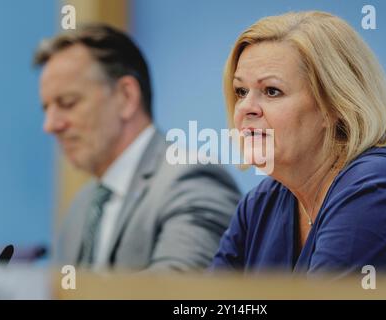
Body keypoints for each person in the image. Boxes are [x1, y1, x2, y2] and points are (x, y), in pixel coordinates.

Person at [211, 11, 386, 275]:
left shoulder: (376, 191)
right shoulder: (261, 204)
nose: (245, 108)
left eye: (272, 91)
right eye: (241, 91)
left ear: (334, 106)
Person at [34, 24, 241, 272]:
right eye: (46, 109)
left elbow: (176, 295)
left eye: (67, 103)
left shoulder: (193, 179)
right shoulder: (81, 206)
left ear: (126, 96)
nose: (50, 125)